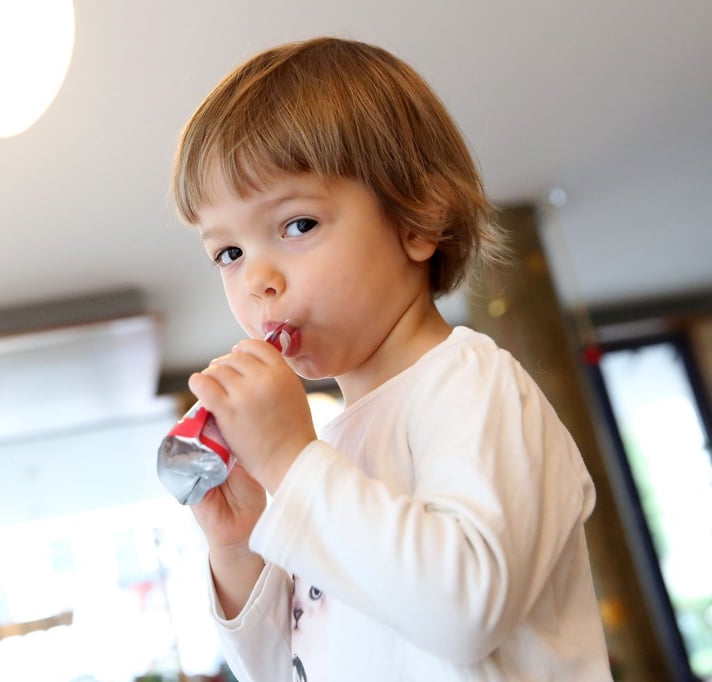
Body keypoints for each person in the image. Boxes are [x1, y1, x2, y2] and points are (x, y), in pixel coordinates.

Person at [169, 36, 613, 681]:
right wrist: (238, 547)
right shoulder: (330, 453)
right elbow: (287, 668)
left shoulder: (470, 382)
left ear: (418, 218)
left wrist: (290, 464)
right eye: (227, 254)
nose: (256, 278)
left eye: (297, 225)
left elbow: (463, 613)